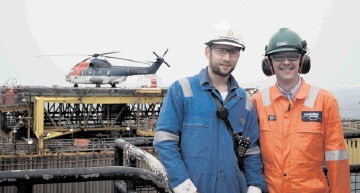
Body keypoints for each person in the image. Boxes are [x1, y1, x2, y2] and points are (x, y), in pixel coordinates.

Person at [153, 27, 268, 193]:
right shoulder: (183, 90)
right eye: (221, 50)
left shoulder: (244, 100)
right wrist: (182, 183)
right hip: (193, 188)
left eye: (233, 52)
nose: (227, 58)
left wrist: (255, 184)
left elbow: (252, 149)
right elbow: (165, 140)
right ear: (208, 51)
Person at [252, 27, 351, 193]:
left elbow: (337, 158)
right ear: (269, 63)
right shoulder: (257, 102)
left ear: (303, 60)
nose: (286, 62)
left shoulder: (325, 101)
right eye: (278, 57)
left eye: (292, 56)